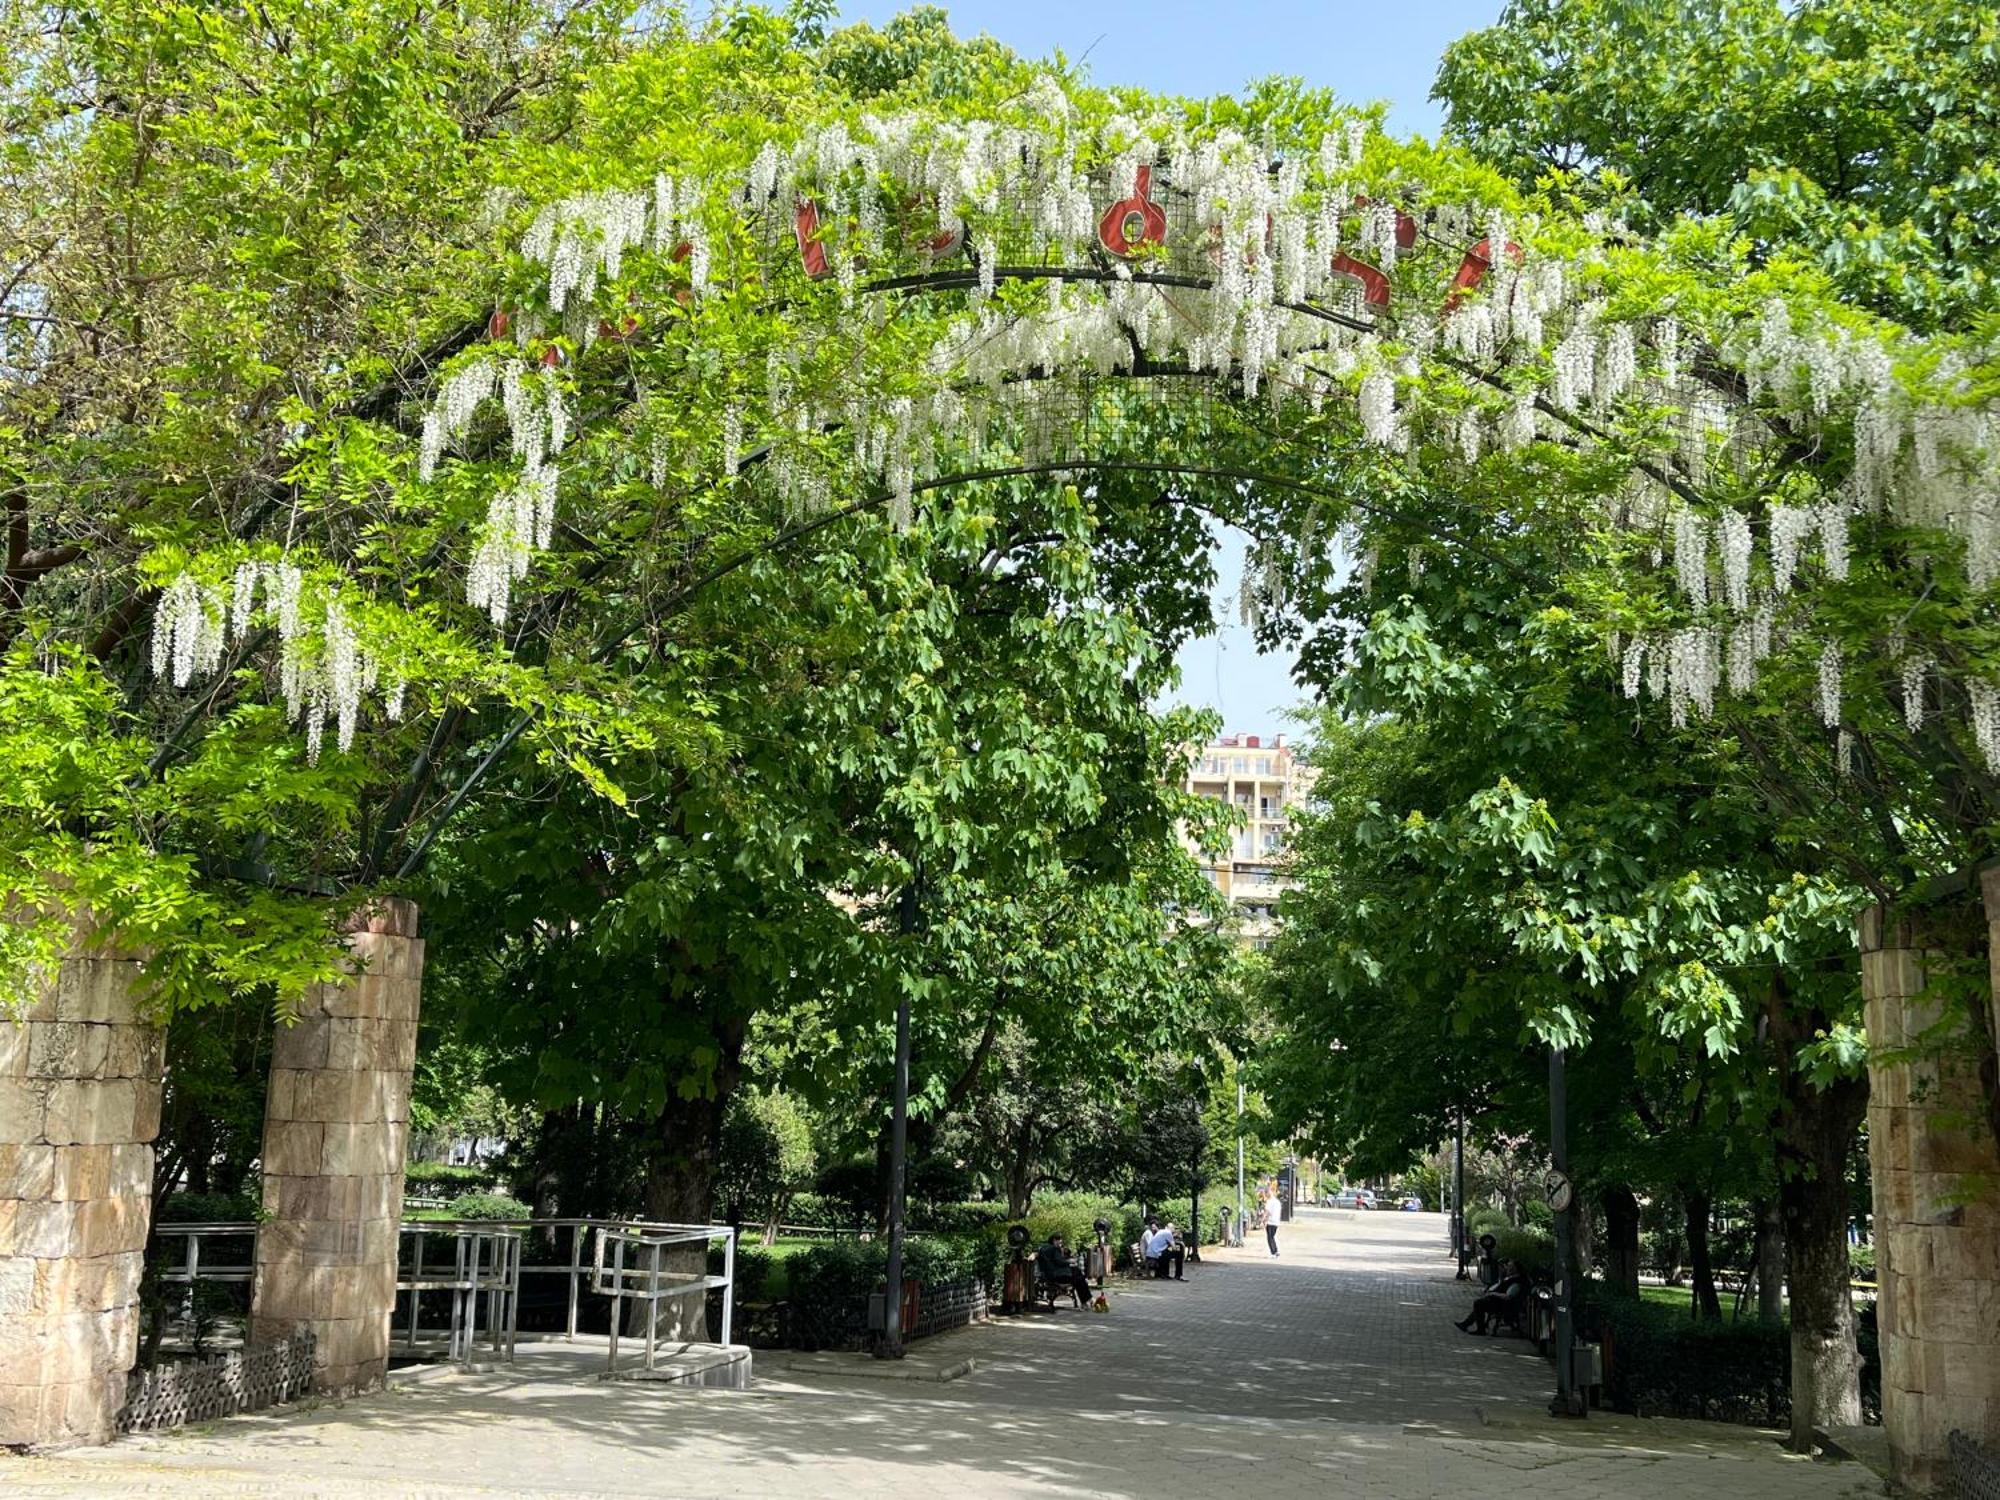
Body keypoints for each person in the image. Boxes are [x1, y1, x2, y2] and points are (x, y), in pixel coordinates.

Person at [1456, 1260, 1530, 1335]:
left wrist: (1493, 1294)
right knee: (1479, 1304)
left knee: (1478, 1304)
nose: (1507, 1268)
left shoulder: (1516, 1282)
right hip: (1497, 1301)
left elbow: (1508, 1297)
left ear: (1515, 1269)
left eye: (1509, 1267)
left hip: (1503, 1305)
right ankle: (1466, 1324)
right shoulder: (1509, 1278)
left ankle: (1479, 1329)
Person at [1035, 1232, 1091, 1307]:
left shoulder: (1044, 1248)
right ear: (1054, 1240)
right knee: (1079, 1276)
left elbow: (1055, 1261)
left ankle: (1087, 1300)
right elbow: (1059, 1261)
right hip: (1058, 1276)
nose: (1060, 1244)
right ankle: (1087, 1300)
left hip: (1049, 1275)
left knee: (1079, 1277)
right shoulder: (1054, 1249)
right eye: (1060, 1242)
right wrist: (1069, 1261)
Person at [1263, 1187, 1282, 1256]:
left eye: (1266, 1193)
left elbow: (1267, 1212)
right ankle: (1275, 1250)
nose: (1266, 1195)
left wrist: (1263, 1219)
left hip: (1270, 1221)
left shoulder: (1269, 1201)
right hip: (1276, 1221)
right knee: (1272, 1237)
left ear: (1268, 1193)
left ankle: (1273, 1252)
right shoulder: (1277, 1202)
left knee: (1270, 1238)